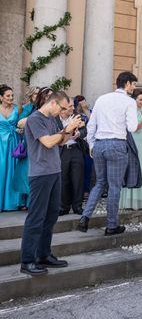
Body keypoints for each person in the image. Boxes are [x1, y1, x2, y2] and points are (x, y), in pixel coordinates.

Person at [20, 91, 83, 275]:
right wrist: (66, 129)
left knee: (51, 215)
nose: (63, 111)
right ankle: (27, 261)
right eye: (63, 108)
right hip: (40, 174)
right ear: (53, 103)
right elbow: (48, 142)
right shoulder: (35, 119)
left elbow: (61, 142)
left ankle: (43, 255)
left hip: (55, 171)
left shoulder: (53, 119)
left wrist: (71, 130)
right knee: (36, 217)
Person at [79, 72, 139, 236]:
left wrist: (92, 145)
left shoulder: (102, 99)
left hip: (99, 143)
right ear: (127, 84)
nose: (134, 88)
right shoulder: (129, 102)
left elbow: (92, 125)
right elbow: (132, 127)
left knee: (99, 183)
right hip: (117, 144)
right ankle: (111, 225)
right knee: (114, 187)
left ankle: (85, 217)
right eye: (134, 84)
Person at [0, 85, 29, 211]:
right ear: (1, 97)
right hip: (1, 143)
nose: (11, 98)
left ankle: (16, 202)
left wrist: (21, 129)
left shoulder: (18, 109)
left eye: (12, 95)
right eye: (8, 96)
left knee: (14, 170)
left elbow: (22, 124)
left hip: (14, 142)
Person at [57, 102, 87, 215]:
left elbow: (85, 131)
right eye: (70, 106)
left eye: (73, 106)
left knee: (78, 179)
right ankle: (63, 207)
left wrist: (79, 133)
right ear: (62, 108)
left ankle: (77, 206)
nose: (73, 108)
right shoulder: (54, 119)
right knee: (63, 178)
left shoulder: (77, 117)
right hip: (62, 150)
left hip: (76, 149)